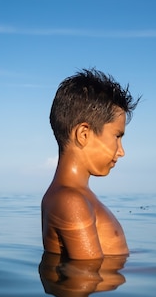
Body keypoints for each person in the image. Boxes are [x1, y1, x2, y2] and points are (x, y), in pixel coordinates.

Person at [41, 68, 139, 260]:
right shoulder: (71, 201)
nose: (121, 151)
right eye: (117, 137)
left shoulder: (75, 197)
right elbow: (87, 274)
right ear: (84, 134)